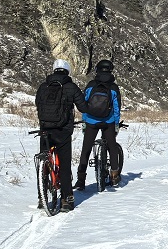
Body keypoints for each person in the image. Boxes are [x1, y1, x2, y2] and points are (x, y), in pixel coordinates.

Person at [34, 59, 86, 211]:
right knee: (64, 165)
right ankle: (66, 199)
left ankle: (41, 197)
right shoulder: (71, 87)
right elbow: (83, 107)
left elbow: (38, 104)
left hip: (45, 130)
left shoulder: (43, 86)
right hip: (63, 131)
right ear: (67, 71)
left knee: (43, 161)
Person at [76, 59, 124, 189]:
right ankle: (114, 176)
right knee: (112, 147)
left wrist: (85, 120)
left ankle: (81, 180)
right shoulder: (113, 88)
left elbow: (84, 103)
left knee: (86, 149)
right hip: (108, 122)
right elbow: (116, 108)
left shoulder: (91, 85)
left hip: (91, 121)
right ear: (110, 70)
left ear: (97, 70)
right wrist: (116, 124)